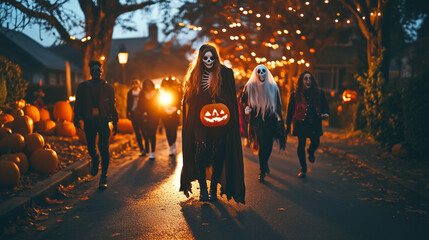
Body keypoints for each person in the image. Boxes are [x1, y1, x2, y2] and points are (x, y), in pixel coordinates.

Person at [180, 43, 245, 203]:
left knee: (219, 153)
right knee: (201, 149)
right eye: (205, 58)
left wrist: (217, 95)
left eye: (211, 58)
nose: (208, 61)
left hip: (220, 119)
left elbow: (230, 96)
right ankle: (202, 188)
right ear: (201, 59)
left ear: (216, 58)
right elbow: (188, 99)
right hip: (199, 120)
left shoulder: (225, 73)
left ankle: (214, 187)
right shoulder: (195, 74)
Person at [74, 60, 118, 190]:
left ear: (101, 71)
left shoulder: (108, 88)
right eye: (93, 71)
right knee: (91, 147)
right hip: (89, 121)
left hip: (103, 120)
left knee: (104, 147)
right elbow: (78, 104)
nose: (95, 73)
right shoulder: (83, 87)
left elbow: (112, 105)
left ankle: (103, 176)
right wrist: (76, 118)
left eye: (98, 70)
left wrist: (115, 122)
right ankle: (95, 158)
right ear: (90, 72)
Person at [240, 64, 286, 182]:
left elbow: (277, 105)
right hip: (257, 119)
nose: (261, 74)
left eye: (263, 71)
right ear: (256, 73)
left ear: (267, 73)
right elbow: (243, 100)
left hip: (270, 119)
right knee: (261, 142)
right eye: (259, 72)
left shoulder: (273, 87)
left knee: (268, 144)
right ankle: (262, 169)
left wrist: (279, 118)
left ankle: (264, 164)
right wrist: (246, 108)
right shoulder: (250, 86)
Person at [286, 71, 329, 178]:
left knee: (315, 142)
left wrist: (325, 113)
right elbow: (290, 111)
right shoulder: (295, 95)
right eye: (305, 79)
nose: (308, 81)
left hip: (314, 123)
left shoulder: (319, 93)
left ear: (312, 81)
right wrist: (287, 125)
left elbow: (325, 105)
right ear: (302, 81)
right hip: (301, 123)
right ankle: (303, 168)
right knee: (301, 144)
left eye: (310, 79)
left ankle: (311, 151)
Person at [135, 79, 160, 160]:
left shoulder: (156, 93)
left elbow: (159, 105)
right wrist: (141, 113)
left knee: (152, 133)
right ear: (144, 86)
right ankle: (146, 147)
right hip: (144, 116)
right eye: (146, 85)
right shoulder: (142, 93)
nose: (148, 86)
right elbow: (139, 104)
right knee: (145, 133)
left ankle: (153, 151)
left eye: (149, 84)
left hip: (154, 116)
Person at [159, 76, 182, 156]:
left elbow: (179, 101)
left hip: (174, 112)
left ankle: (173, 143)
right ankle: (171, 145)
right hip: (165, 112)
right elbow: (159, 103)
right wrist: (164, 109)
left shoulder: (177, 92)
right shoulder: (163, 93)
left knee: (174, 129)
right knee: (168, 130)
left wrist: (175, 108)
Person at [127, 79, 146, 156]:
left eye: (136, 83)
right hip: (133, 114)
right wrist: (127, 114)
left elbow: (145, 103)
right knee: (137, 132)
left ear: (138, 84)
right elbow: (128, 104)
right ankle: (141, 148)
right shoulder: (130, 93)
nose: (134, 85)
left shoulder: (142, 92)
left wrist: (144, 112)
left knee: (143, 131)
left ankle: (146, 146)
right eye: (133, 83)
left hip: (141, 113)